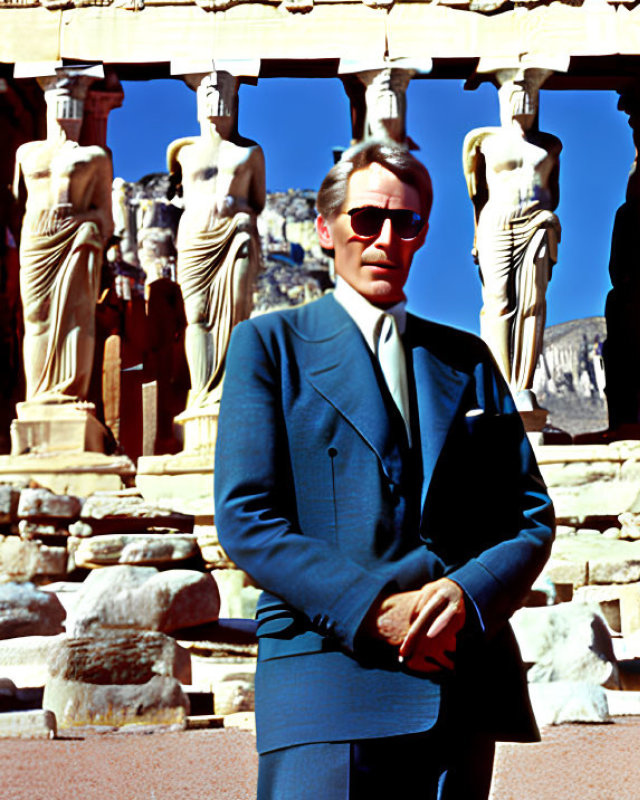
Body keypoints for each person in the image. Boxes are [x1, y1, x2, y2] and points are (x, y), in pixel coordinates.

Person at [214, 139, 555, 800]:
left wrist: (467, 595)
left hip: (459, 683)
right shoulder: (268, 346)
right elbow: (247, 518)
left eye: (408, 222)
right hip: (326, 681)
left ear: (424, 233)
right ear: (326, 228)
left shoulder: (470, 358)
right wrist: (373, 610)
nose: (386, 239)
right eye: (367, 219)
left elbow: (529, 517)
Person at [462, 67, 561, 408]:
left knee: (533, 302)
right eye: (514, 90)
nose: (523, 99)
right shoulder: (482, 142)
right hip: (497, 222)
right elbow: (477, 195)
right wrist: (476, 236)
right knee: (498, 301)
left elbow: (554, 189)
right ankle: (500, 385)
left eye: (529, 91)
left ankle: (523, 385)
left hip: (536, 223)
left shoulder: (550, 145)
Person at [168, 70, 265, 412]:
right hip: (195, 236)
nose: (215, 96)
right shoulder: (183, 153)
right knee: (195, 314)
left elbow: (258, 202)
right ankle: (201, 393)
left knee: (237, 313)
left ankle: (229, 392)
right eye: (208, 89)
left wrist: (238, 211)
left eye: (222, 88)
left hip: (236, 235)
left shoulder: (250, 153)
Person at [14, 73, 112, 406]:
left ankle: (70, 393)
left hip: (75, 240)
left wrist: (84, 224)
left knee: (77, 315)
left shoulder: (96, 157)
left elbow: (106, 218)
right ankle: (38, 396)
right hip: (37, 238)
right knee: (35, 317)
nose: (66, 104)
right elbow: (17, 202)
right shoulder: (26, 153)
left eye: (74, 96)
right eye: (59, 94)